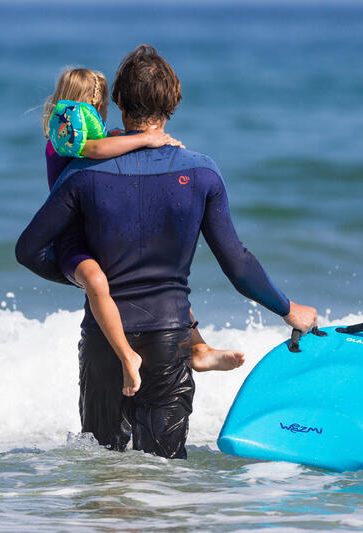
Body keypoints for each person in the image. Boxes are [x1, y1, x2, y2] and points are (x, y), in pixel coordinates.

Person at [17, 45, 317, 459]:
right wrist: (288, 309)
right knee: (164, 482)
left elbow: (28, 250)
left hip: (106, 341)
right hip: (169, 342)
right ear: (173, 102)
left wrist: (86, 281)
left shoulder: (80, 174)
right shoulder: (202, 173)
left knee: (102, 478)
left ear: (118, 102)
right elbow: (237, 262)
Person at [40, 67, 246, 398]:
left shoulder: (96, 133)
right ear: (87, 106)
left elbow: (108, 143)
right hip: (73, 236)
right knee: (96, 282)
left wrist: (159, 149)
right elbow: (94, 151)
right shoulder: (65, 138)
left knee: (164, 278)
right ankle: (126, 355)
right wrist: (147, 138)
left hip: (96, 231)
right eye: (98, 106)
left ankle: (198, 347)